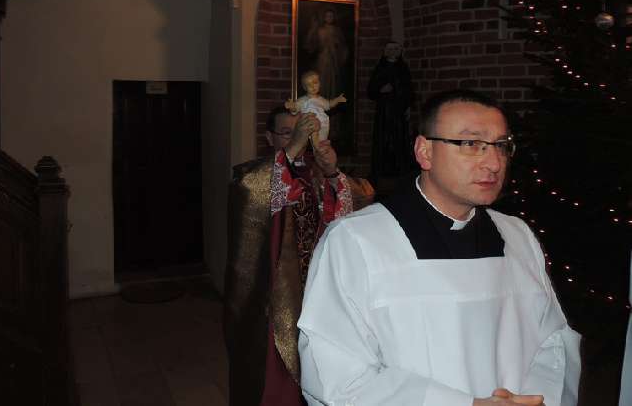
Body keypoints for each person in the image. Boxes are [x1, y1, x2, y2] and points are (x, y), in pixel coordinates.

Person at [298, 89, 581, 406]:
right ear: (425, 152)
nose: (493, 163)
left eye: (501, 145)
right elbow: (336, 371)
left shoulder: (517, 235)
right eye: (471, 144)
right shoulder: (356, 240)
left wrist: (534, 400)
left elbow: (553, 341)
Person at [223, 106, 368, 406]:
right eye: (288, 133)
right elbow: (250, 193)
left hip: (321, 291)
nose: (298, 139)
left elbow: (361, 201)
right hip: (276, 295)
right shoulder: (252, 175)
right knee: (276, 375)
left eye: (303, 133)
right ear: (269, 138)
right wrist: (290, 151)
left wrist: (332, 173)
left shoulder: (317, 174)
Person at [367, 41, 413, 179]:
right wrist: (380, 89)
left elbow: (408, 89)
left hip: (399, 111)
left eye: (396, 49)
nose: (393, 51)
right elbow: (371, 90)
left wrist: (408, 106)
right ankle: (380, 172)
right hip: (384, 111)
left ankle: (400, 172)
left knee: (399, 140)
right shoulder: (380, 68)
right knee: (383, 140)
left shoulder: (403, 68)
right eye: (390, 49)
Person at [286, 70, 347, 145]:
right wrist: (292, 107)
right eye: (309, 85)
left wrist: (337, 100)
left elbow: (329, 104)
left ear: (319, 84)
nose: (313, 86)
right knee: (309, 138)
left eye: (315, 82)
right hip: (309, 123)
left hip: (322, 124)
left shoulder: (321, 100)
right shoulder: (302, 100)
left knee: (322, 141)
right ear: (305, 88)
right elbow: (296, 109)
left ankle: (321, 144)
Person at [304, 7, 348, 101]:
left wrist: (337, 47)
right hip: (323, 59)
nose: (329, 18)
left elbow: (343, 46)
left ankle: (332, 99)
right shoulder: (320, 30)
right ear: (324, 17)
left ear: (334, 17)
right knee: (322, 79)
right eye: (327, 16)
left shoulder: (337, 30)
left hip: (334, 59)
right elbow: (313, 44)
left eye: (331, 16)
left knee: (334, 79)